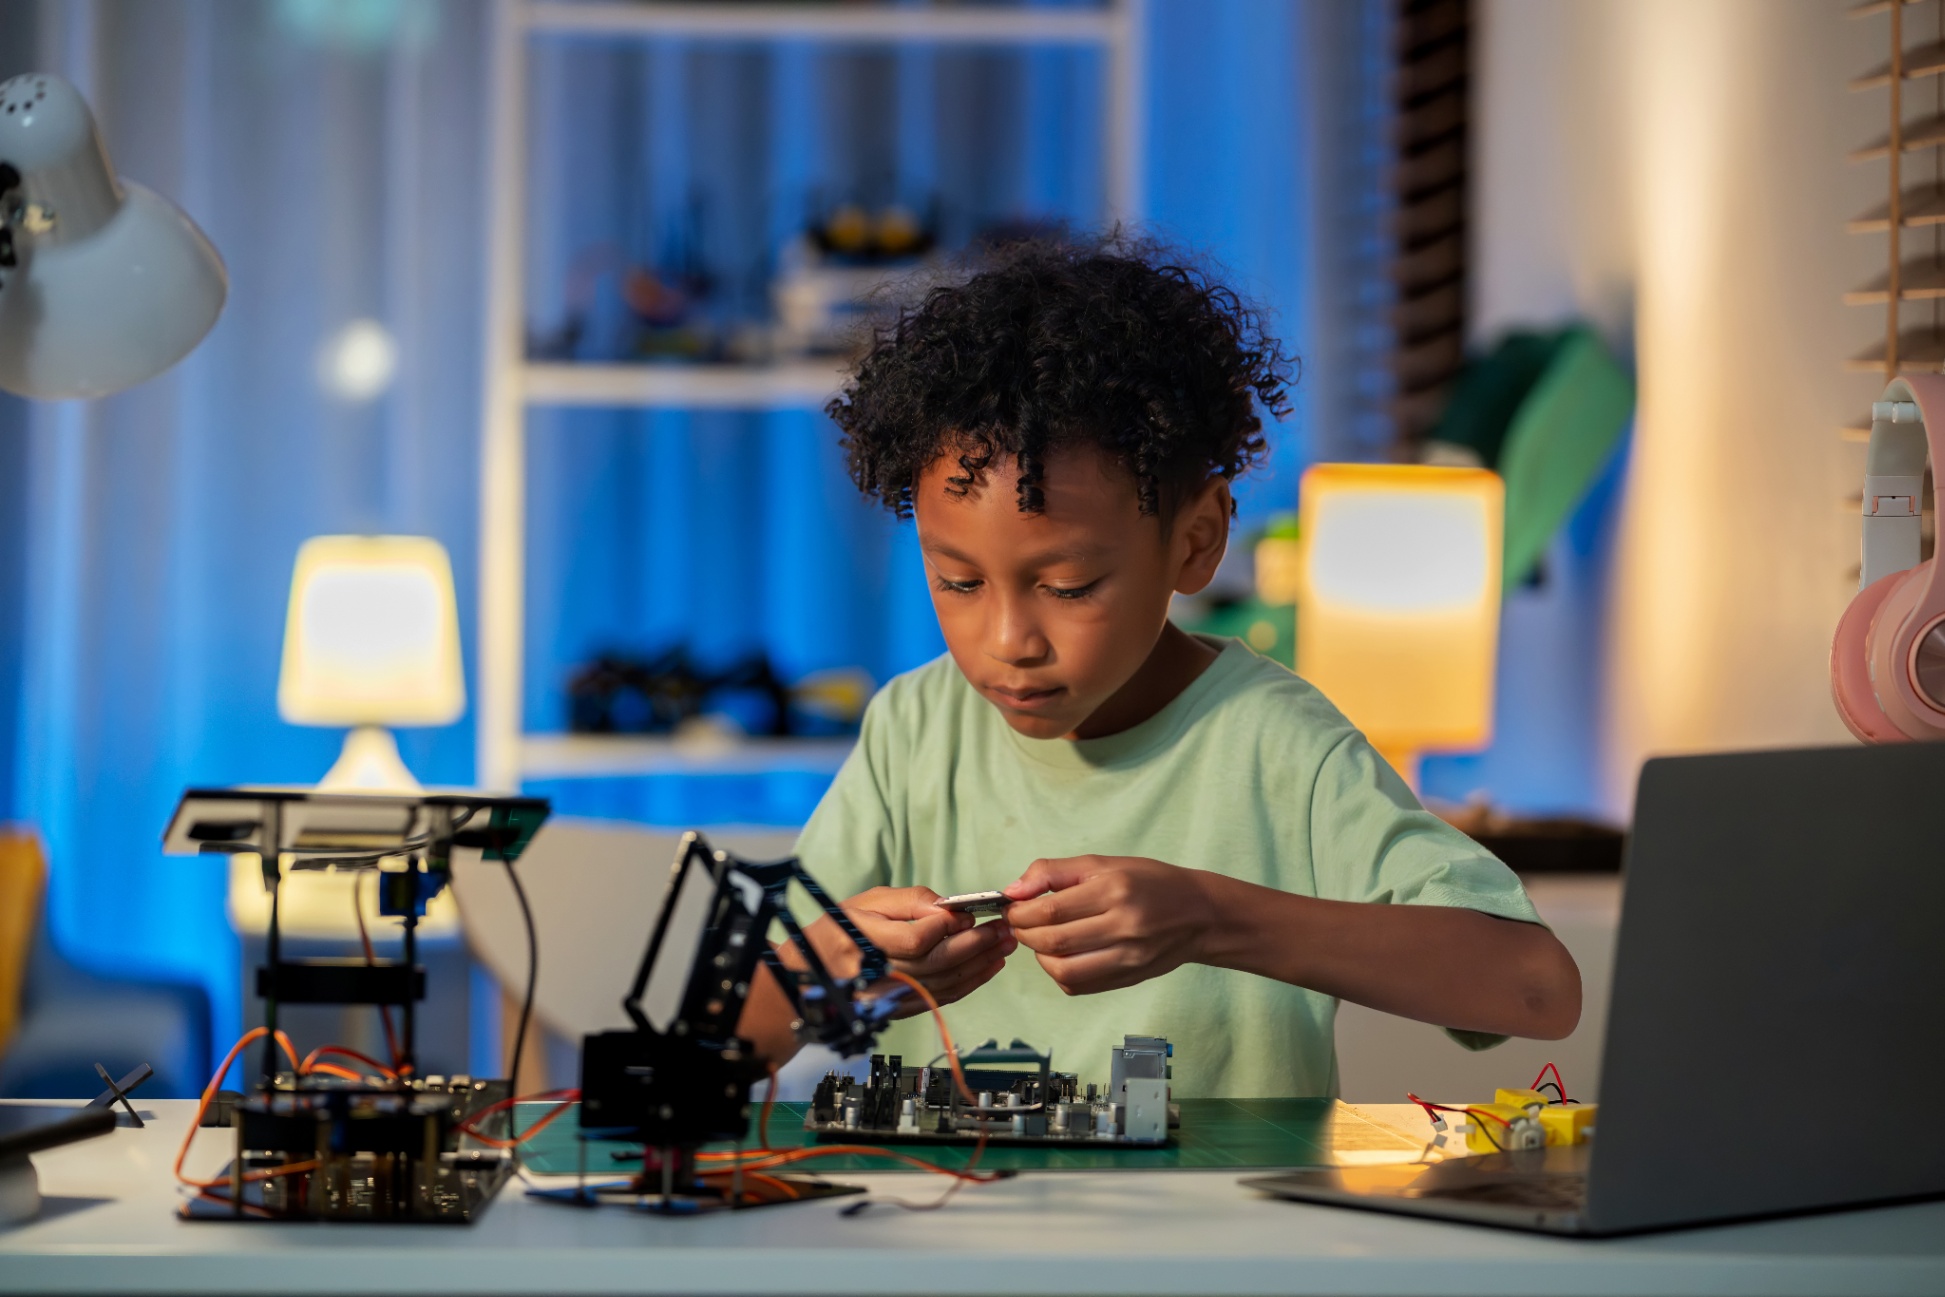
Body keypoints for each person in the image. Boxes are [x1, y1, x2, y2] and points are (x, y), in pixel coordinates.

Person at [744, 235, 1580, 1097]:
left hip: (1237, 1194)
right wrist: (829, 962)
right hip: (959, 1191)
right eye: (957, 581)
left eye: (1068, 586)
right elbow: (728, 1038)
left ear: (1195, 540)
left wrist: (1214, 919)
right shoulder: (915, 728)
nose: (1008, 640)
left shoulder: (1275, 742)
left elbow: (1536, 987)